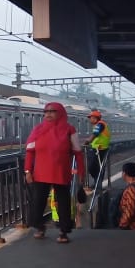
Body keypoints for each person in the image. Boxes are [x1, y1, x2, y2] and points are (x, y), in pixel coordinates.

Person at [23, 102, 84, 244]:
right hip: (41, 172)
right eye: (46, 111)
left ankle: (64, 232)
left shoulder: (69, 130)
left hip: (61, 172)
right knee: (37, 202)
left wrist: (81, 171)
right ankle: (39, 226)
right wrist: (27, 171)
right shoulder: (37, 130)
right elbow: (30, 152)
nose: (48, 114)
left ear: (61, 113)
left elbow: (78, 153)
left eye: (52, 111)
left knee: (63, 203)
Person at [85, 110, 111, 188]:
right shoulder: (100, 124)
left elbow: (95, 134)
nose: (90, 119)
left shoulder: (100, 124)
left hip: (99, 149)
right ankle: (97, 183)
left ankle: (97, 183)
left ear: (96, 118)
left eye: (91, 118)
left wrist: (87, 141)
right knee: (96, 167)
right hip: (99, 148)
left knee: (92, 167)